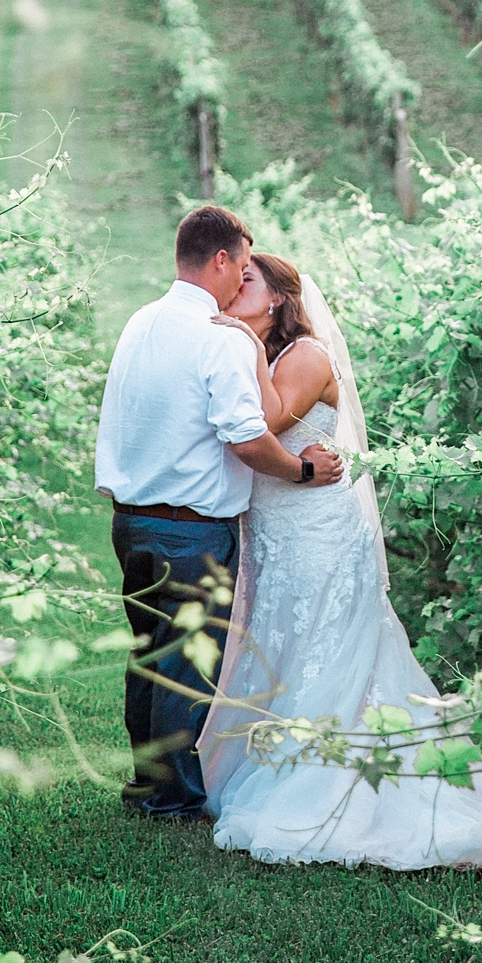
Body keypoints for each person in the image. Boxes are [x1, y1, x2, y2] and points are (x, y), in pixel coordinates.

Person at [197, 252, 482, 885]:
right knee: (285, 644)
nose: (234, 288)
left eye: (248, 281)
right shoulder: (262, 356)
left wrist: (240, 341)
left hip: (319, 532)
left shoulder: (305, 356)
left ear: (277, 299)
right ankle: (273, 756)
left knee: (325, 645)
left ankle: (329, 777)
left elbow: (261, 426)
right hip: (277, 530)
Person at [94, 206, 343, 822]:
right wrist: (301, 471)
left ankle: (148, 784)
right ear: (223, 260)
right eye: (243, 266)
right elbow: (248, 440)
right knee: (184, 664)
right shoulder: (219, 335)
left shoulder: (141, 320)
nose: (241, 282)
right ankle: (174, 800)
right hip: (191, 529)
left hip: (132, 521)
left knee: (149, 656)